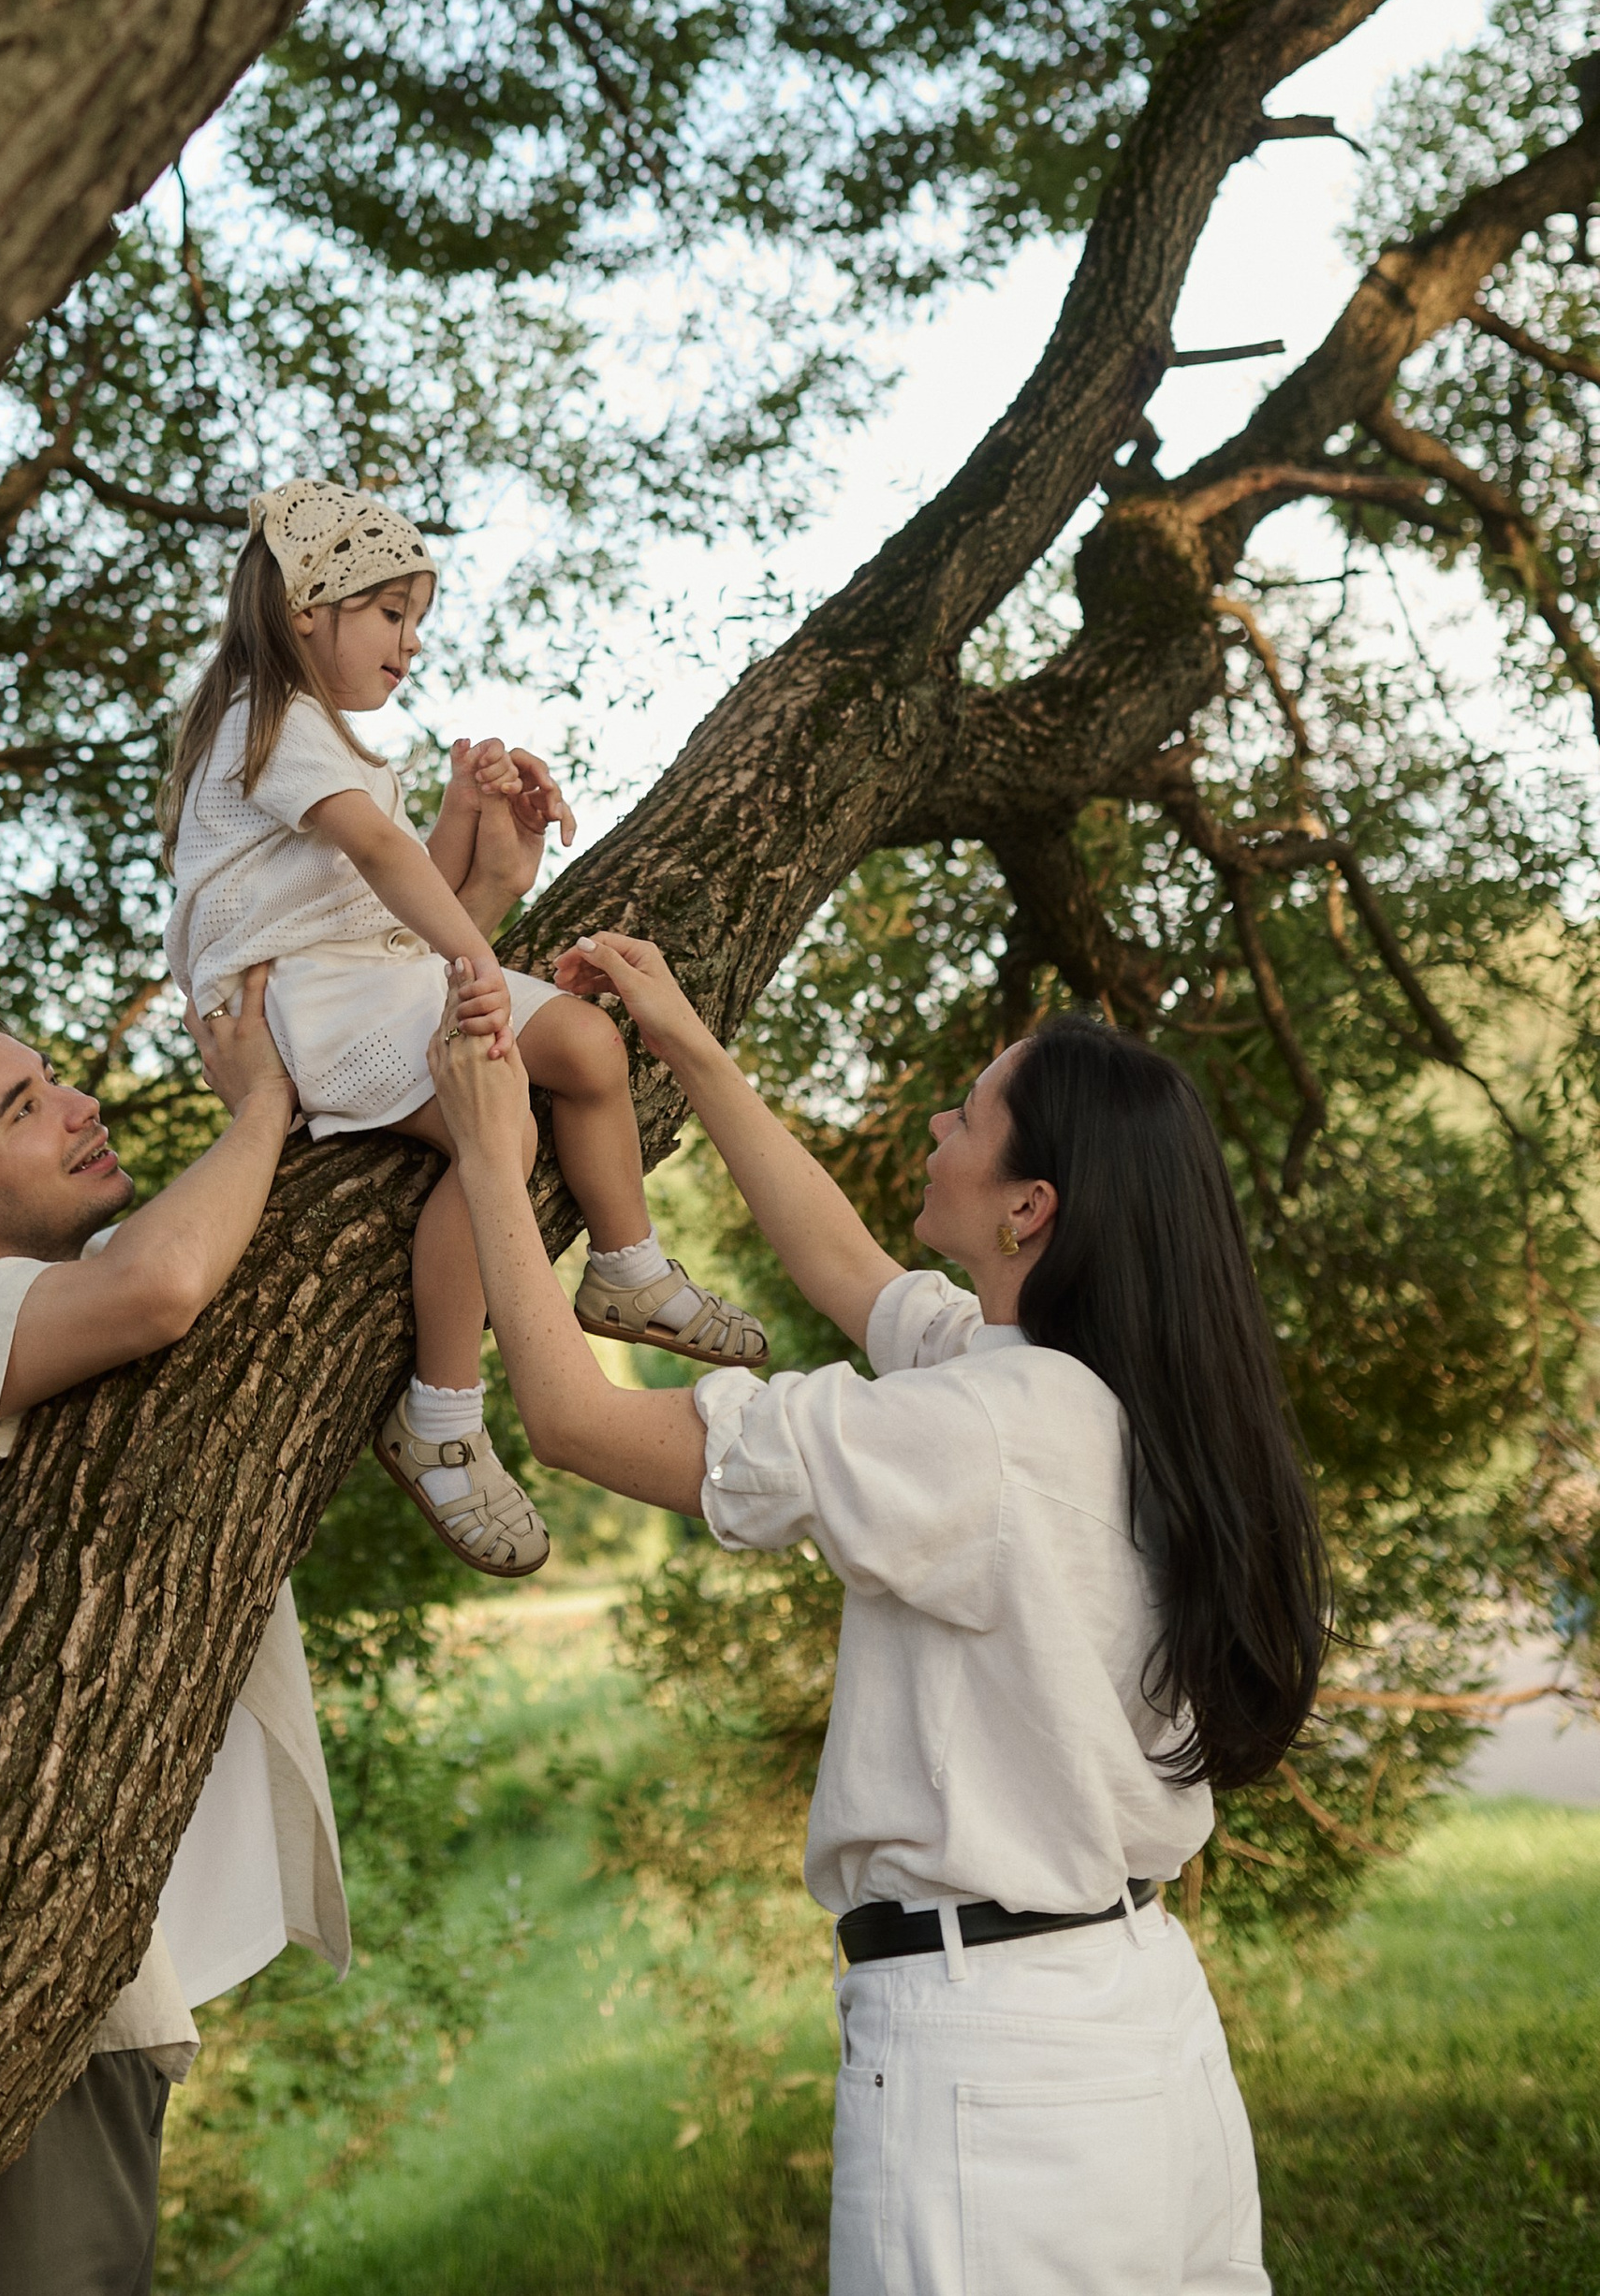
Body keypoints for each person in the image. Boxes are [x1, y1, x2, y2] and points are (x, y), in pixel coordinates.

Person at [433, 930, 1329, 2296]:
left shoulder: (979, 1432)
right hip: (1139, 2020)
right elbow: (848, 1272)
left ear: (1029, 1206)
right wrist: (688, 1044)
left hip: (1002, 2074)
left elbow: (571, 1418)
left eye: (965, 1113)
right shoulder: (1101, 1389)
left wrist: (493, 1161)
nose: (932, 1121)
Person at [0, 970, 346, 2296]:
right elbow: (161, 1285)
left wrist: (461, 902)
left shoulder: (63, 1305)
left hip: (64, 1957)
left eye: (56, 1079)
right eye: (25, 1105)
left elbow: (275, 1208)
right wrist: (257, 1094)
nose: (81, 1104)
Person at [159, 475, 765, 1581]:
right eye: (391, 613)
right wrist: (473, 953)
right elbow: (391, 883)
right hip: (300, 1003)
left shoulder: (330, 746)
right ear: (308, 608)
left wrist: (476, 822)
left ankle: (626, 1267)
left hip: (366, 975)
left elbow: (405, 889)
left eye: (418, 620)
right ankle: (439, 1413)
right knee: (500, 1140)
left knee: (587, 1044)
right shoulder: (270, 717)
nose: (411, 643)